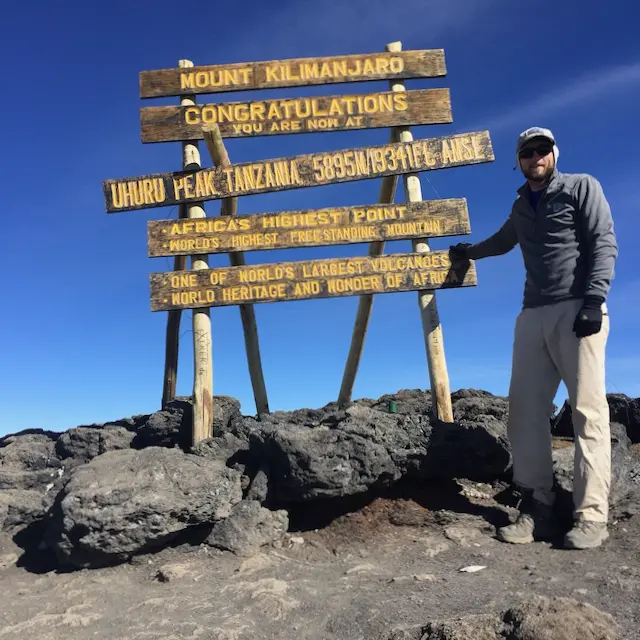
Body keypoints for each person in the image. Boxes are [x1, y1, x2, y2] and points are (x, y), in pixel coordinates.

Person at [450, 127, 618, 550]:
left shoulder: (582, 187)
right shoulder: (521, 205)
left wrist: (595, 300)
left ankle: (591, 515)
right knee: (524, 410)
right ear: (520, 160)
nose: (536, 157)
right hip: (531, 316)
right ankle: (538, 506)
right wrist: (469, 252)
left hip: (578, 307)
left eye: (543, 150)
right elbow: (504, 241)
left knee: (587, 412)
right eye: (528, 152)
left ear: (554, 154)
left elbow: (603, 240)